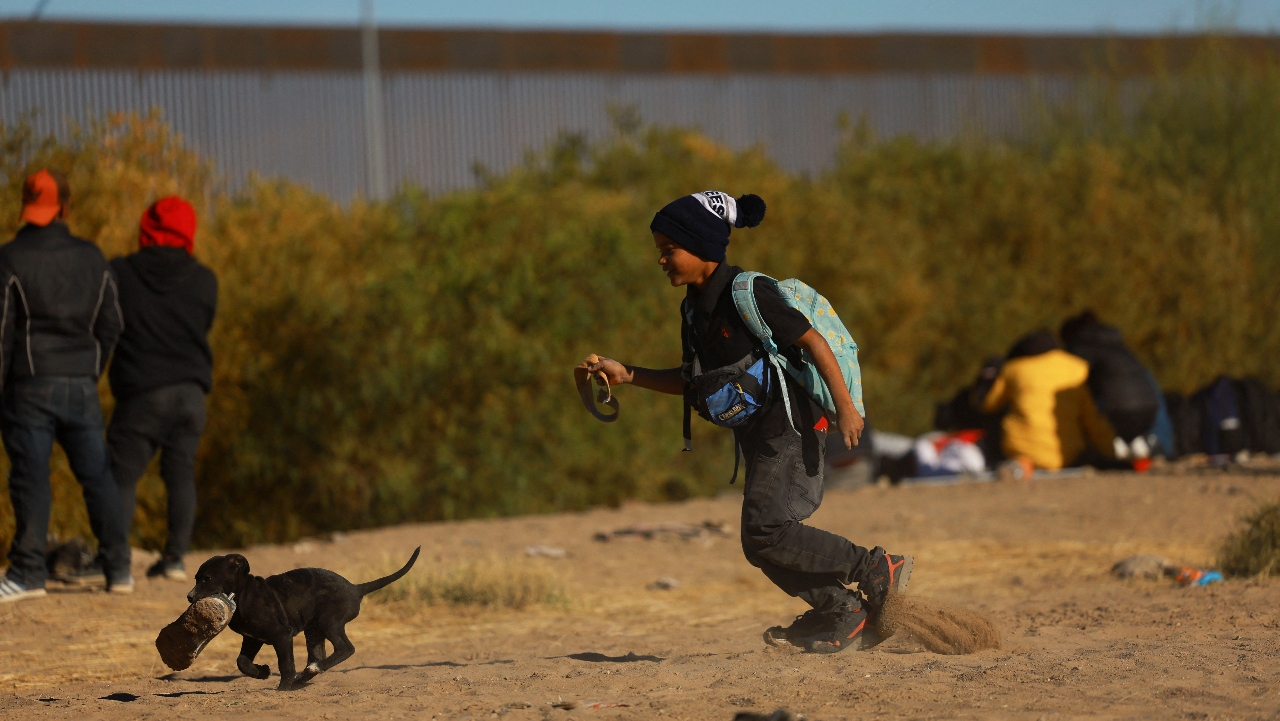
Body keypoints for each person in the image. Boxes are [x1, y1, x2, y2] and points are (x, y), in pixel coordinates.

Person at [580, 190, 912, 654]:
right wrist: (628, 374)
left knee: (764, 530)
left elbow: (814, 342)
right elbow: (693, 381)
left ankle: (874, 569)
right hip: (760, 440)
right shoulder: (694, 311)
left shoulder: (748, 293)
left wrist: (846, 407)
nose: (661, 260)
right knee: (760, 541)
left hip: (794, 431)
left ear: (701, 247)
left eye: (667, 249)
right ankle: (843, 611)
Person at [0, 169, 131, 603]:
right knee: (98, 477)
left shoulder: (10, 257)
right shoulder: (94, 258)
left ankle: (27, 573)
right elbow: (112, 321)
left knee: (31, 478)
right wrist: (91, 368)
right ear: (66, 207)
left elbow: (2, 331)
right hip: (81, 383)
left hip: (29, 385)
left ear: (26, 205)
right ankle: (118, 569)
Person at [108, 197, 217, 581]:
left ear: (146, 228)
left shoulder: (120, 272)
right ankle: (174, 560)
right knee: (180, 473)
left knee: (120, 476)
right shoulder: (205, 280)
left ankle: (117, 566)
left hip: (142, 394)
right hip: (190, 395)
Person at [982, 330, 1115, 471]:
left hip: (1022, 452)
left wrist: (985, 381)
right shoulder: (1079, 367)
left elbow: (988, 405)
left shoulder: (1012, 369)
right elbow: (1093, 420)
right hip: (1068, 455)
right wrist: (1110, 452)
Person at [1059, 311, 1161, 461]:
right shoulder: (1118, 345)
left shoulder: (1082, 348)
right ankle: (1135, 446)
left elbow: (1073, 382)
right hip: (1149, 410)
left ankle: (1114, 448)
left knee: (1085, 400)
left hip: (1117, 412)